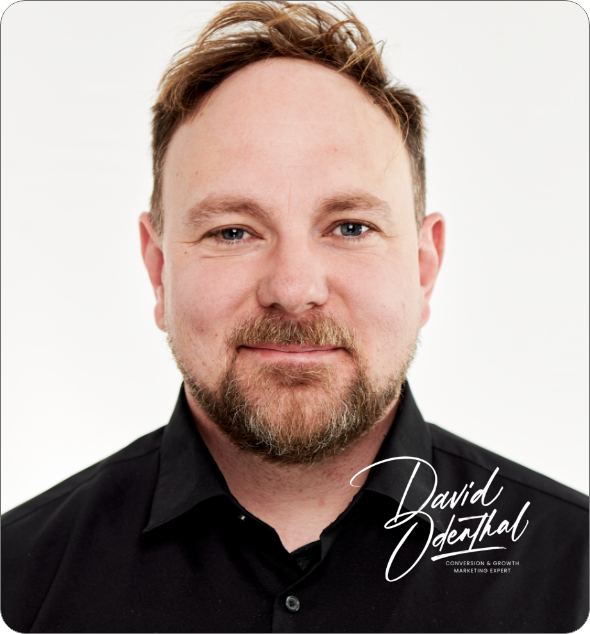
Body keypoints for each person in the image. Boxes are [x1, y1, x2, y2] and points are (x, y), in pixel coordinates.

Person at [2, 2, 587, 632]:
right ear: (159, 269)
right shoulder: (19, 582)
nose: (293, 289)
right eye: (232, 232)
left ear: (423, 268)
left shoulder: (574, 575)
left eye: (351, 227)